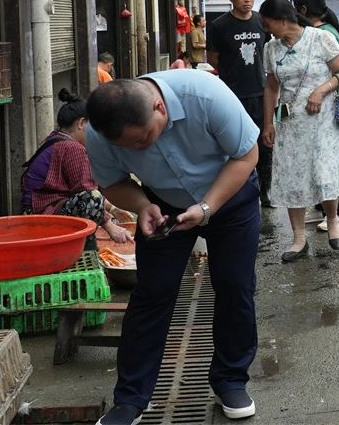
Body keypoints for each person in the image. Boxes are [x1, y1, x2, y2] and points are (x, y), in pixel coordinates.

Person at [85, 71, 261, 424]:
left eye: (143, 139)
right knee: (153, 292)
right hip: (163, 204)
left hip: (230, 194)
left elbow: (247, 156)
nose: (138, 149)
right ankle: (130, 399)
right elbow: (112, 183)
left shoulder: (207, 96)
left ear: (160, 108)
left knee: (234, 285)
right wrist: (141, 206)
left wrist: (207, 207)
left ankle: (230, 381)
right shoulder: (99, 132)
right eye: (128, 147)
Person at [259, 0, 339, 262]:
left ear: (282, 20)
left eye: (267, 23)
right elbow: (271, 87)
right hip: (289, 122)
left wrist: (321, 91)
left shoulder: (320, 38)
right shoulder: (271, 48)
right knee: (292, 174)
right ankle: (299, 238)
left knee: (324, 169)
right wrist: (268, 123)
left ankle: (332, 220)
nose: (266, 29)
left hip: (322, 120)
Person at [22, 89, 130, 244]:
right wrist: (111, 226)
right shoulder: (72, 148)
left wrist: (113, 209)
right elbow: (86, 193)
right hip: (41, 215)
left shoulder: (55, 138)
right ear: (81, 123)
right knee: (92, 196)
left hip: (36, 211)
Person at [207, 0, 274, 208]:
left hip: (260, 92)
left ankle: (265, 190)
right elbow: (212, 57)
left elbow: (269, 51)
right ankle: (239, 190)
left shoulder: (261, 22)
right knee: (234, 144)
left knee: (264, 143)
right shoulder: (219, 25)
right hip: (232, 94)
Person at [290, 0, 339, 229]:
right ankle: (321, 208)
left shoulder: (323, 34)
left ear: (303, 9)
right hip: (316, 106)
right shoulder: (318, 30)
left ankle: (337, 214)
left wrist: (323, 92)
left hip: (325, 104)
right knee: (316, 160)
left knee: (327, 161)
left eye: (295, 9)